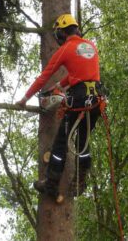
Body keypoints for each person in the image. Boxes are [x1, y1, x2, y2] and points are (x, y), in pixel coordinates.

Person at [16, 14, 102, 198]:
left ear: (62, 32)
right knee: (83, 139)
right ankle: (80, 181)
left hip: (79, 100)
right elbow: (83, 73)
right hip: (95, 100)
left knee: (60, 143)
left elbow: (43, 77)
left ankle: (51, 184)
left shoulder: (66, 49)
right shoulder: (90, 46)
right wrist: (61, 85)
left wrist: (25, 98)